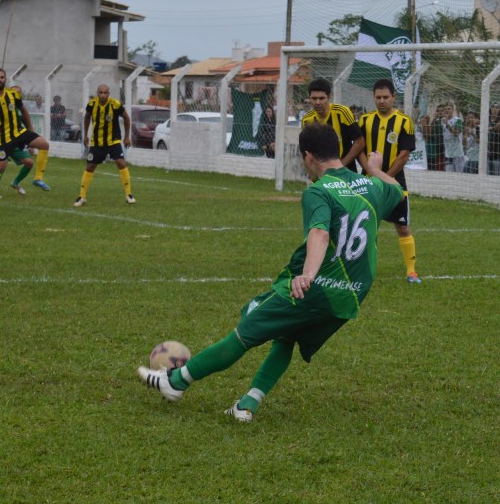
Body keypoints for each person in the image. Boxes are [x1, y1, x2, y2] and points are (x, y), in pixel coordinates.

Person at [137, 122, 403, 423]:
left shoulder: (319, 191)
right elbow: (397, 190)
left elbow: (319, 234)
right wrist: (377, 170)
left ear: (307, 156)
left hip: (317, 287)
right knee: (287, 336)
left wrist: (308, 275)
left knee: (246, 330)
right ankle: (247, 404)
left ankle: (175, 382)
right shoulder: (370, 186)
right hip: (352, 293)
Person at [357, 78, 422, 284]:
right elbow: (359, 148)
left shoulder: (404, 121)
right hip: (367, 180)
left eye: (386, 97)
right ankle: (360, 269)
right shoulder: (365, 120)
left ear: (394, 97)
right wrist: (370, 170)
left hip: (395, 182)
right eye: (378, 97)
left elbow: (404, 155)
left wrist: (386, 177)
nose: (382, 101)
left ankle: (411, 271)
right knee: (363, 226)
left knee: (402, 227)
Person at [0, 68, 52, 214]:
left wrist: (30, 129)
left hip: (20, 133)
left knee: (44, 145)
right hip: (3, 139)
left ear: (6, 79)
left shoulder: (13, 95)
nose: (0, 79)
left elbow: (23, 111)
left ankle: (37, 178)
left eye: (2, 77)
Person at [74, 83, 134, 207]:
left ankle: (129, 194)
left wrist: (127, 136)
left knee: (121, 163)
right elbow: (87, 118)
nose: (103, 95)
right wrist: (85, 135)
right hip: (97, 142)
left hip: (113, 140)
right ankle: (82, 197)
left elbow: (127, 118)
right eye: (100, 92)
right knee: (90, 166)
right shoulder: (92, 104)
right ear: (97, 93)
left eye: (105, 93)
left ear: (109, 93)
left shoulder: (115, 104)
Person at [301, 78, 364, 172]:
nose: (317, 102)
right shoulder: (307, 120)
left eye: (322, 98)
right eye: (314, 98)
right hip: (322, 175)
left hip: (345, 171)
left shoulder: (342, 112)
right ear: (309, 97)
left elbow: (360, 141)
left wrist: (341, 166)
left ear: (329, 97)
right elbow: (306, 151)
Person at [441, 104, 465, 173]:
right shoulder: (442, 120)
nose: (447, 110)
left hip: (458, 153)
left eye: (449, 109)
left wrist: (447, 125)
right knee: (449, 176)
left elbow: (456, 133)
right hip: (448, 153)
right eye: (445, 109)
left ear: (452, 110)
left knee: (459, 175)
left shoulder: (458, 120)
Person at [487, 102, 500, 176]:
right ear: (490, 109)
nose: (495, 109)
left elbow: (498, 127)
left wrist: (491, 128)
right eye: (493, 107)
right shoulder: (486, 120)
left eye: (497, 107)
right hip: (487, 155)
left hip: (497, 154)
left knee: (496, 177)